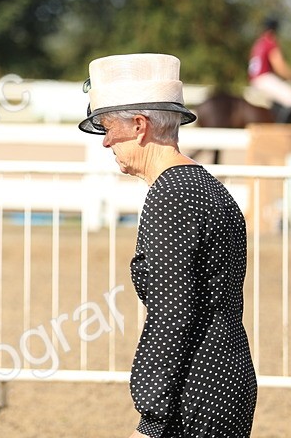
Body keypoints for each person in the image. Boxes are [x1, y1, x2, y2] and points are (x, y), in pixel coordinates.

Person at [80, 53, 257, 437]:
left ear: (140, 126)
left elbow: (172, 314)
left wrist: (151, 417)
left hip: (194, 394)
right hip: (228, 381)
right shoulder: (209, 186)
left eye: (109, 127)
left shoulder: (171, 195)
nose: (107, 140)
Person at [248, 16, 291, 123]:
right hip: (264, 79)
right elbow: (279, 67)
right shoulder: (270, 42)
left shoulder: (258, 42)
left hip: (254, 80)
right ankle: (280, 129)